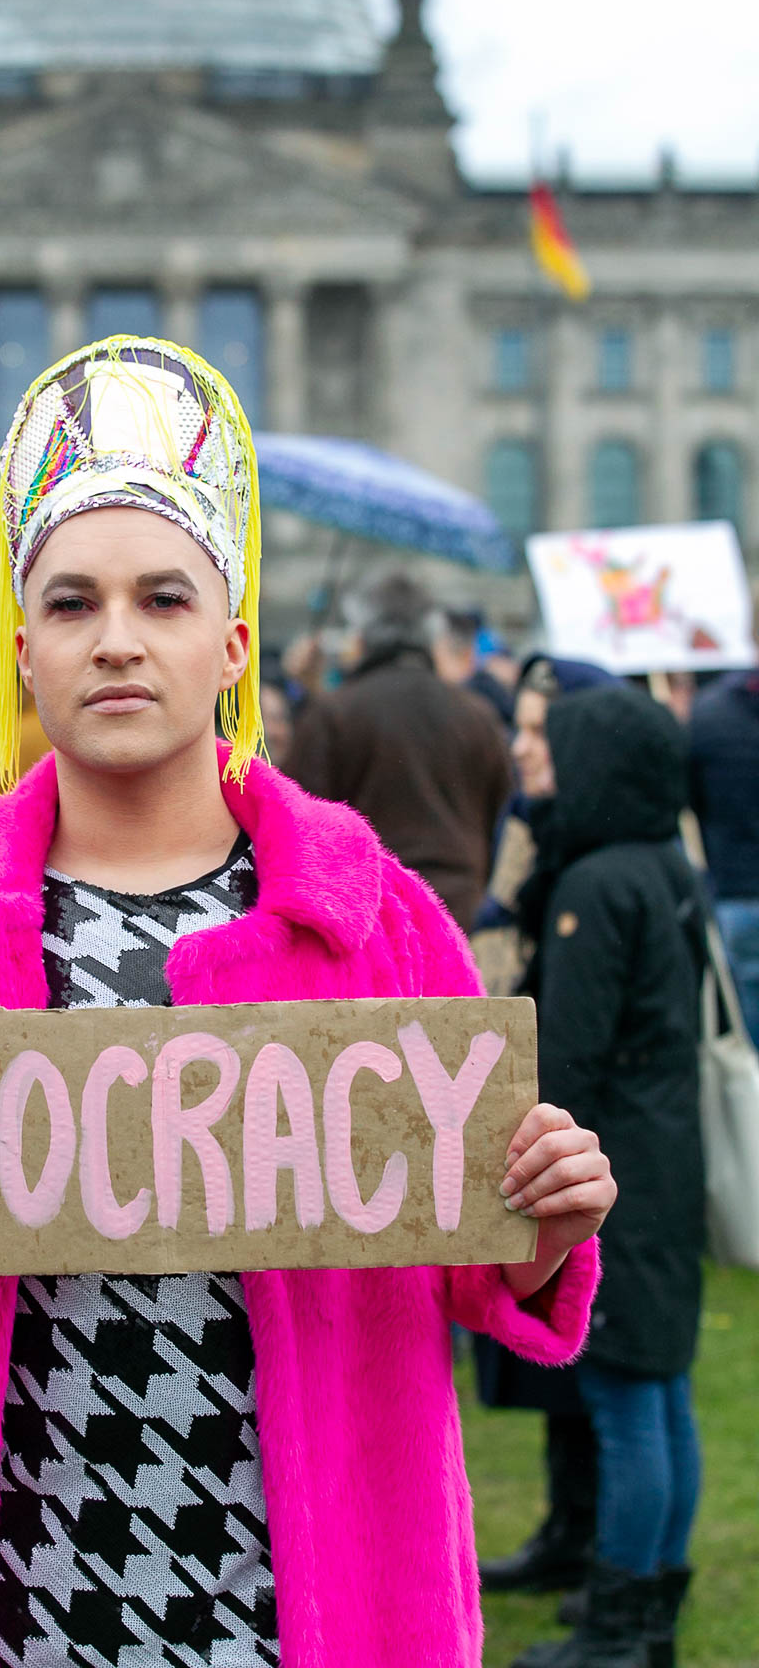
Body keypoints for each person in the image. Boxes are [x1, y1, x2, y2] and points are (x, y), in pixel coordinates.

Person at [0, 337, 613, 1668]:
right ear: (25, 650)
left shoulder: (373, 915)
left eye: (163, 599)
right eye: (71, 604)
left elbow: (475, 1266)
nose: (117, 640)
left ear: (231, 644)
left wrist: (542, 1223)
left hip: (295, 1603)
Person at [508, 683, 705, 1668]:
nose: (526, 753)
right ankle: (651, 1603)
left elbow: (564, 1057)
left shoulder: (596, 884)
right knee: (660, 1389)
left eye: (549, 741)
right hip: (666, 1151)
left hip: (615, 1163)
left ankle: (621, 1623)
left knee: (630, 1394)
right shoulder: (663, 864)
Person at [477, 658, 624, 1605]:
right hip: (535, 1120)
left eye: (540, 728)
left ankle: (611, 1556)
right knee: (566, 1385)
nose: (522, 744)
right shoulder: (537, 835)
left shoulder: (607, 864)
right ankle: (568, 1528)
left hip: (589, 1136)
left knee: (613, 1369)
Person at [288, 571, 513, 933]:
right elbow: (500, 811)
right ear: (431, 637)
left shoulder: (336, 714)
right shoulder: (476, 715)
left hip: (367, 914)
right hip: (458, 909)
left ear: (361, 636)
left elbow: (300, 824)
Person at [689, 663, 759, 1047]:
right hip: (736, 888)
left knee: (748, 1030)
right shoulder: (712, 710)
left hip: (736, 890)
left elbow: (692, 799)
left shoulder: (710, 711)